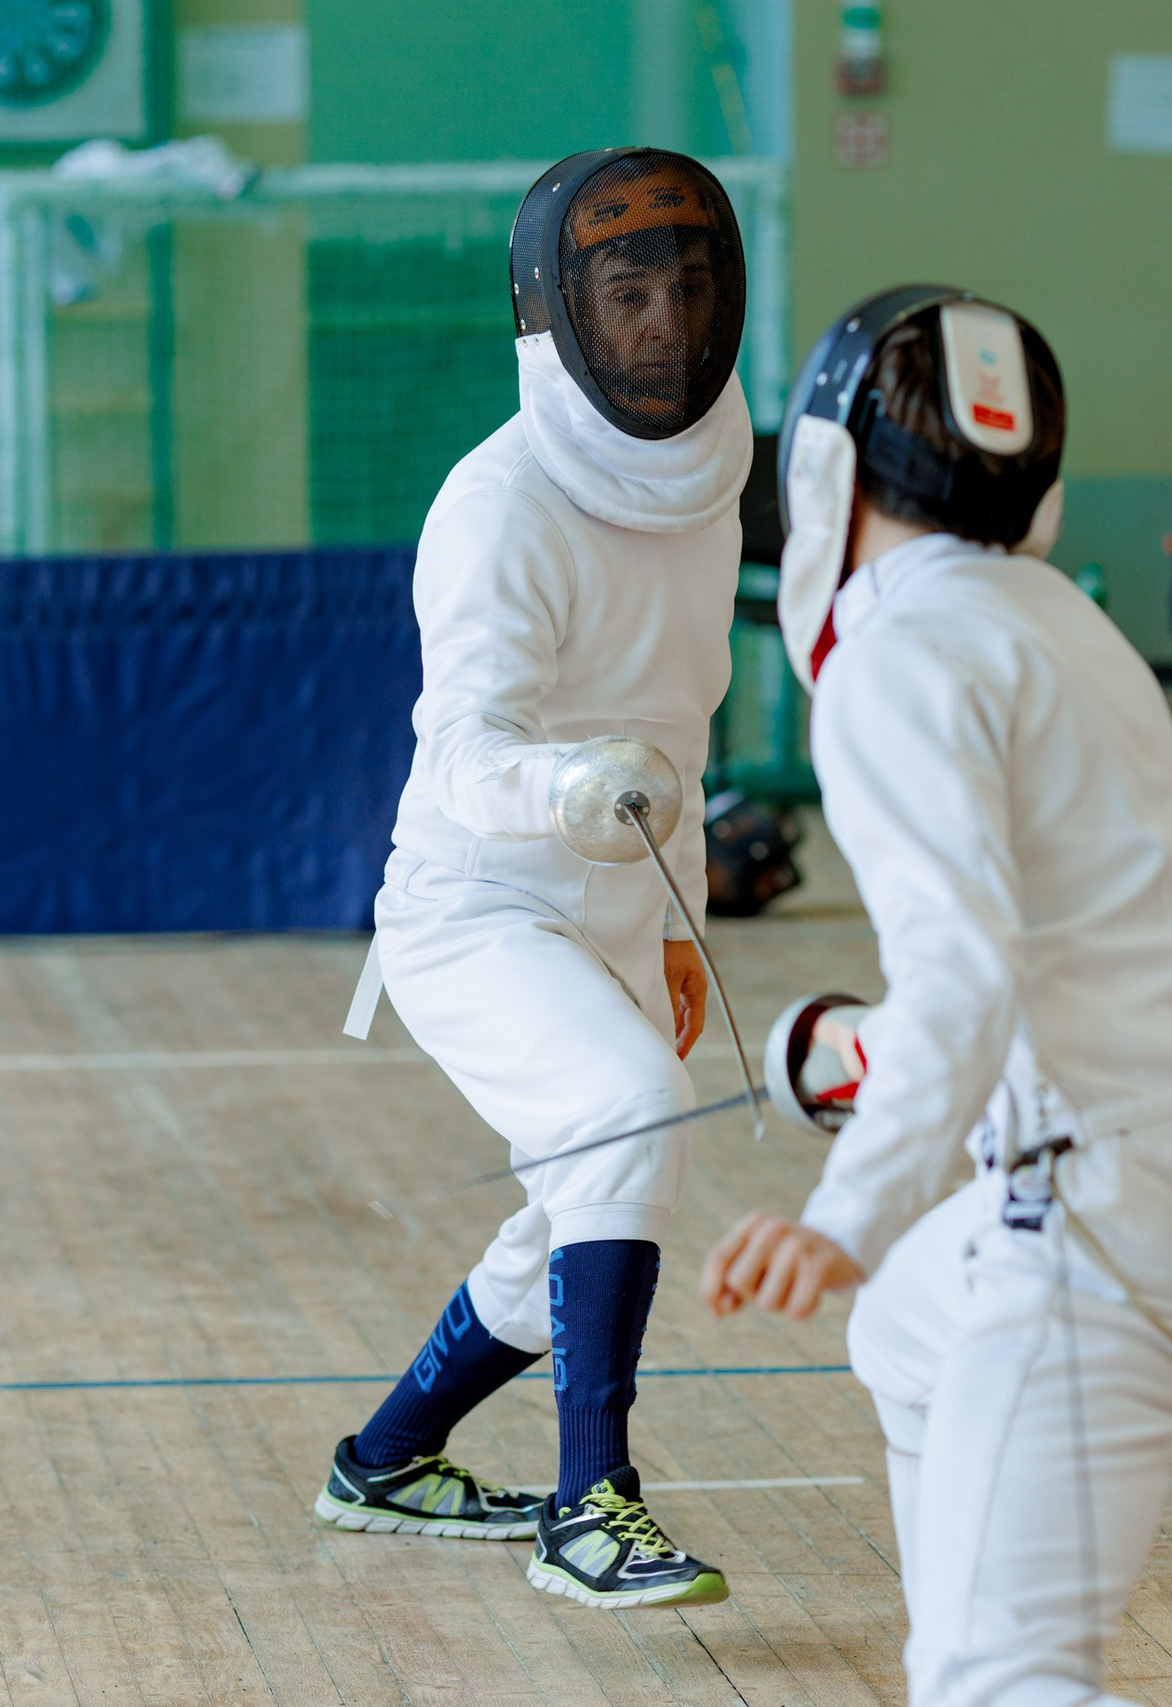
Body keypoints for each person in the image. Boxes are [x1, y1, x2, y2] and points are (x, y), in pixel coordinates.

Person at [709, 287, 1172, 1706]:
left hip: (1101, 1208)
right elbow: (1036, 950)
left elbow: (971, 969)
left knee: (1005, 1680)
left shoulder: (895, 657)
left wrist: (843, 1213)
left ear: (829, 471)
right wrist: (862, 1051)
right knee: (904, 1334)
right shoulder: (1062, 622)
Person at [314, 147, 750, 1610]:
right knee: (624, 1115)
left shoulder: (709, 468)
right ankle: (590, 1504)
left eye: (685, 284)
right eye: (627, 289)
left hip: (627, 902)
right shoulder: (498, 506)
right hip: (479, 908)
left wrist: (678, 907)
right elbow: (456, 755)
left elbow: (678, 721)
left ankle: (388, 1456)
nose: (664, 320)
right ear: (557, 315)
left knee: (581, 1192)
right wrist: (567, 782)